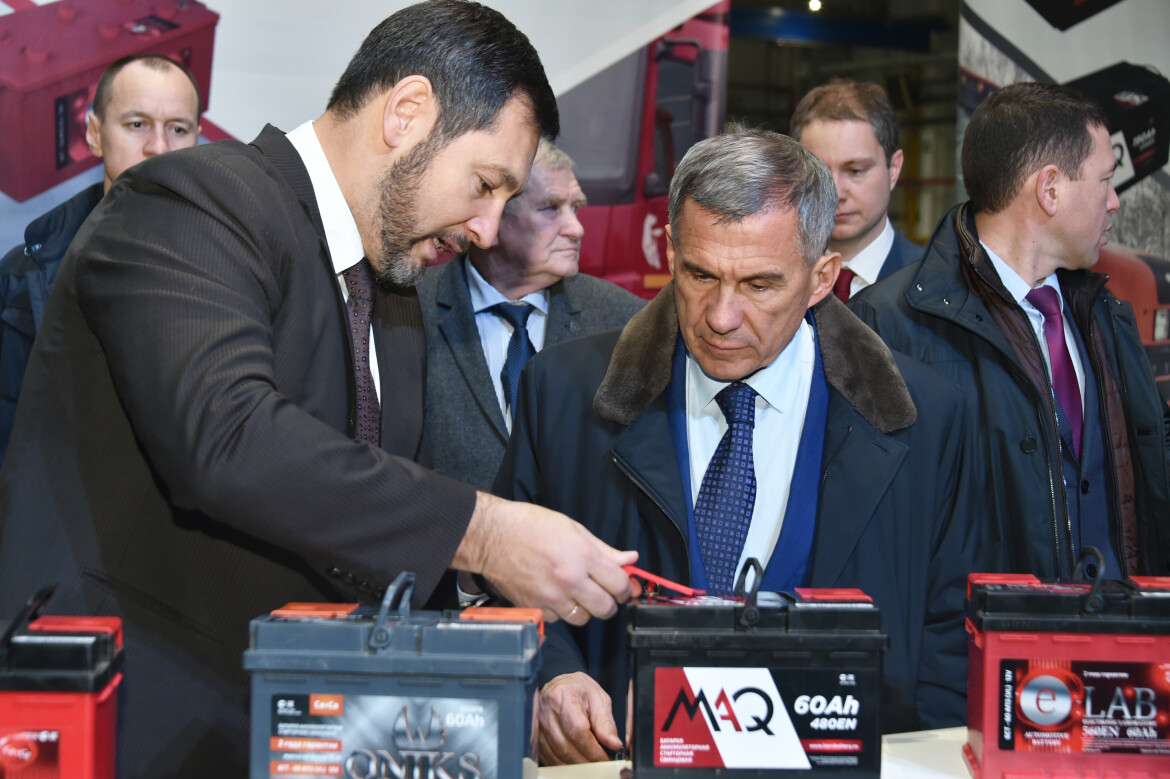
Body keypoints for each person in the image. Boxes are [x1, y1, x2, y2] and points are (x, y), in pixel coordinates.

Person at [0, 3, 637, 775]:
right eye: (483, 184)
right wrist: (487, 533)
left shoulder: (393, 293)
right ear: (407, 112)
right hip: (134, 726)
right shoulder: (187, 203)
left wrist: (492, 612)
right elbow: (230, 437)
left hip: (298, 735)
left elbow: (358, 509)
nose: (487, 228)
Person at [495, 128, 980, 764]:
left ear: (821, 278)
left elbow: (949, 636)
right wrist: (552, 672)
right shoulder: (561, 393)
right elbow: (508, 585)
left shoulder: (925, 418)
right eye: (700, 274)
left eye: (758, 285)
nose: (721, 316)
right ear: (672, 253)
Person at [851, 81, 1170, 581]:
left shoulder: (1105, 314)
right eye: (1105, 181)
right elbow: (878, 538)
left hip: (1115, 625)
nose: (1114, 202)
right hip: (981, 629)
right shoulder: (888, 325)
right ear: (1049, 189)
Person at [0, 54, 202, 465]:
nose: (158, 147)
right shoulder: (22, 277)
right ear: (95, 134)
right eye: (137, 124)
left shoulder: (237, 277)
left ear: (197, 140)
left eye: (178, 129)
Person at [417, 138, 644, 490]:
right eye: (551, 208)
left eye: (575, 208)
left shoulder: (627, 321)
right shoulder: (409, 310)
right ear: (492, 220)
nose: (576, 229)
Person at [789, 78, 921, 301]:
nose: (836, 194)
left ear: (894, 169)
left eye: (856, 171)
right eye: (819, 173)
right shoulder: (771, 280)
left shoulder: (936, 284)